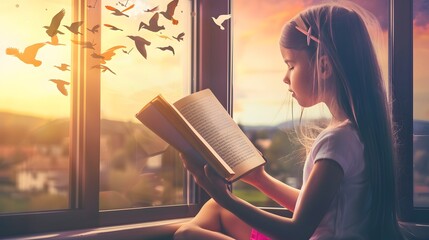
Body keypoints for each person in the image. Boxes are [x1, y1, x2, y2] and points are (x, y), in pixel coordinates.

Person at [174, 1, 404, 239]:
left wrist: (225, 196)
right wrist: (260, 179)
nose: (285, 78)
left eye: (290, 65)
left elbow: (298, 231)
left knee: (186, 234)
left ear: (324, 65)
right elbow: (317, 211)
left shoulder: (337, 141)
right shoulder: (357, 133)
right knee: (214, 208)